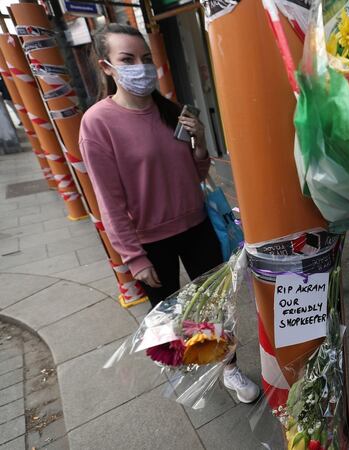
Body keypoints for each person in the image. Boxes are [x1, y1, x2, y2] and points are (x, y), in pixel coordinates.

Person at [79, 24, 260, 404]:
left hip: (196, 227)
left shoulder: (171, 111)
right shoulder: (98, 123)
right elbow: (107, 200)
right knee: (167, 314)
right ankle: (181, 365)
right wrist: (133, 257)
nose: (141, 68)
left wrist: (199, 145)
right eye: (128, 60)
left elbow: (196, 175)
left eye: (145, 58)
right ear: (107, 66)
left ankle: (229, 368)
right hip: (148, 241)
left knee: (214, 306)